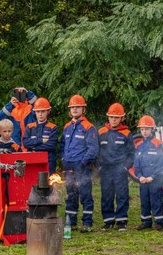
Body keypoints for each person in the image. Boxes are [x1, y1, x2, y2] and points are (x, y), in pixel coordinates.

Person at [60, 94, 98, 232]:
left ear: (83, 109)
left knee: (85, 195)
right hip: (69, 167)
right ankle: (71, 222)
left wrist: (83, 163)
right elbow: (62, 145)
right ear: (70, 110)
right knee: (71, 195)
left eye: (78, 107)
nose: (75, 110)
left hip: (82, 167)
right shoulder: (67, 127)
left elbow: (93, 149)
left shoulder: (89, 127)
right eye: (73, 107)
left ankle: (87, 223)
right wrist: (63, 159)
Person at [98, 103, 134, 231]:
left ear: (122, 118)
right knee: (106, 195)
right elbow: (96, 151)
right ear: (108, 117)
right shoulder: (101, 132)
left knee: (122, 194)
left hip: (120, 169)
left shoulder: (127, 133)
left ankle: (121, 221)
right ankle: (108, 221)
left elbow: (131, 154)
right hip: (106, 169)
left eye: (116, 117)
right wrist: (99, 167)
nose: (114, 119)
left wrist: (125, 167)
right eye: (111, 117)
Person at [134, 115, 163, 231]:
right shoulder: (138, 145)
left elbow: (161, 163)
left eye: (147, 129)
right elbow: (136, 164)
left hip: (155, 180)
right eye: (142, 129)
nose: (144, 131)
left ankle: (159, 222)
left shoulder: (158, 144)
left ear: (152, 129)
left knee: (156, 200)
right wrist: (140, 176)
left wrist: (153, 177)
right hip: (143, 180)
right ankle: (146, 221)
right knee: (144, 200)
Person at [22, 97, 59, 174]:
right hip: (33, 161)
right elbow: (25, 143)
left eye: (43, 111)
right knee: (33, 184)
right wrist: (41, 141)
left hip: (49, 161)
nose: (40, 114)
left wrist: (33, 147)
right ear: (35, 112)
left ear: (48, 111)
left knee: (48, 184)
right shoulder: (29, 127)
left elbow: (51, 145)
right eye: (38, 112)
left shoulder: (53, 127)